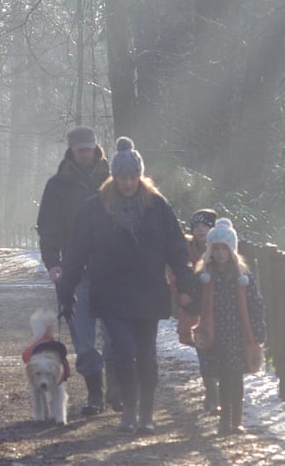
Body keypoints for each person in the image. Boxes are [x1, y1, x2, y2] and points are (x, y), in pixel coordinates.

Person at [57, 136, 195, 434]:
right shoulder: (94, 208)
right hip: (111, 293)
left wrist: (185, 284)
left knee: (146, 353)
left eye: (133, 177)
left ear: (140, 176)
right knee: (122, 348)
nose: (128, 183)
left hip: (148, 292)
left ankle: (146, 413)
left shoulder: (157, 207)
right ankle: (129, 411)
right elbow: (76, 251)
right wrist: (66, 289)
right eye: (123, 177)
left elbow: (176, 248)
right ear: (114, 176)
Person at [35, 125, 116, 415]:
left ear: (96, 148)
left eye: (89, 147)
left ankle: (116, 387)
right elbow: (48, 227)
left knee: (114, 330)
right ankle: (96, 393)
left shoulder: (113, 181)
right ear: (72, 150)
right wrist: (53, 263)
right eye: (80, 148)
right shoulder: (56, 186)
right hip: (73, 269)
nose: (85, 153)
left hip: (110, 267)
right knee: (82, 333)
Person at [192, 217, 267, 436]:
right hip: (216, 334)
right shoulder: (205, 276)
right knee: (225, 375)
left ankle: (236, 419)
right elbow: (196, 302)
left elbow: (256, 304)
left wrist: (258, 330)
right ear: (210, 250)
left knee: (236, 376)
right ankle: (225, 421)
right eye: (216, 249)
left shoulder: (243, 277)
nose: (220, 254)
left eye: (224, 249)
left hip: (238, 334)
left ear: (232, 250)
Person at [171, 208, 219, 412]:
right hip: (195, 306)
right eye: (197, 227)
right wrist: (180, 293)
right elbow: (175, 273)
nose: (200, 230)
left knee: (220, 347)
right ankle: (211, 392)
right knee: (203, 347)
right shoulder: (186, 250)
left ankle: (221, 392)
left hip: (219, 306)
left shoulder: (221, 249)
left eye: (205, 226)